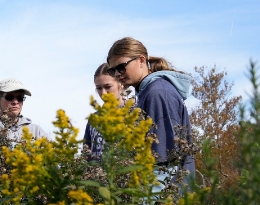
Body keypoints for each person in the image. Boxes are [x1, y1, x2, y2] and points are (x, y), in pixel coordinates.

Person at [105, 37, 195, 175]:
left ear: (141, 60)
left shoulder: (157, 93)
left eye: (121, 67)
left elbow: (163, 161)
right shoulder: (148, 92)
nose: (117, 74)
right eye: (112, 71)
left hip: (166, 192)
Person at [83, 63, 128, 161]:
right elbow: (86, 154)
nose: (103, 93)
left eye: (108, 87)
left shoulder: (134, 113)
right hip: (98, 175)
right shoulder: (94, 119)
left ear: (121, 83)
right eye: (99, 88)